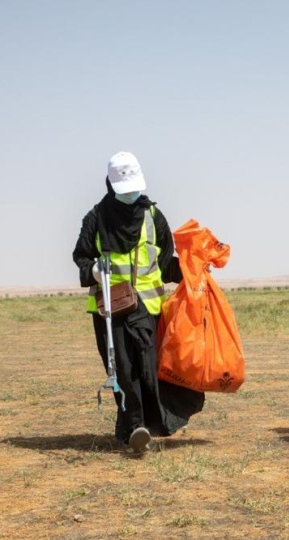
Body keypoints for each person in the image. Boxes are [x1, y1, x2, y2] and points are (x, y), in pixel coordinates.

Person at [72, 151, 204, 452]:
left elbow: (166, 262)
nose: (131, 195)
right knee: (121, 370)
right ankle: (134, 427)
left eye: (134, 188)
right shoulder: (95, 218)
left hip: (147, 308)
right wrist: (92, 269)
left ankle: (143, 424)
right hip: (110, 310)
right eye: (125, 190)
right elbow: (80, 256)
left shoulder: (153, 216)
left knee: (147, 368)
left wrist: (193, 270)